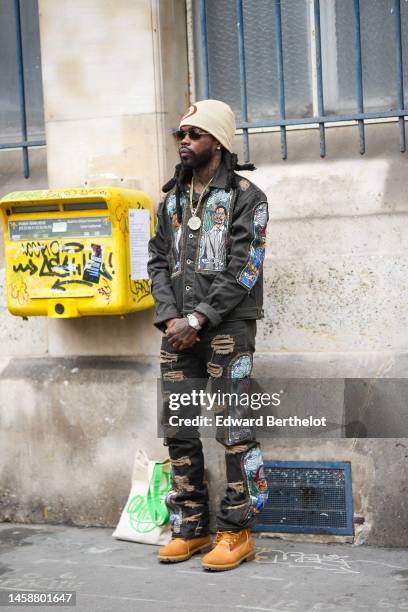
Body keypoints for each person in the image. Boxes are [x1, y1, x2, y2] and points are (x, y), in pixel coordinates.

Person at [147, 99, 269, 571]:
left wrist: (197, 319)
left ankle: (237, 532)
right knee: (177, 427)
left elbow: (245, 268)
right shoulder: (172, 200)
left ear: (216, 142)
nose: (184, 142)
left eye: (194, 135)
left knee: (234, 427)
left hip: (226, 331)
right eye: (181, 134)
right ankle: (190, 527)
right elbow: (157, 261)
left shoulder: (247, 197)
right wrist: (169, 318)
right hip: (176, 332)